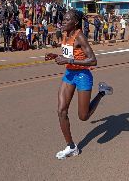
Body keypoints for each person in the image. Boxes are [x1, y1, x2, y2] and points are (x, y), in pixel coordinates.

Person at [46, 9, 113, 160]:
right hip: (69, 74)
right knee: (61, 111)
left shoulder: (80, 37)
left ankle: (101, 92)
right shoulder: (65, 33)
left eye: (67, 19)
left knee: (83, 116)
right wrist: (56, 56)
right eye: (63, 18)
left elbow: (93, 60)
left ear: (75, 22)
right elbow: (69, 55)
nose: (63, 21)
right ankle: (71, 146)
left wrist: (68, 61)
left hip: (83, 75)